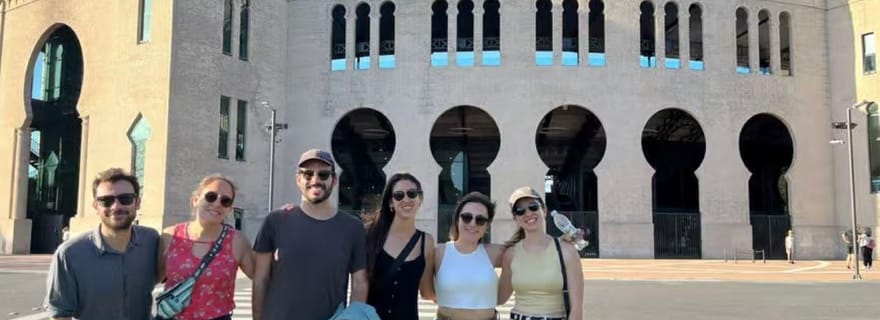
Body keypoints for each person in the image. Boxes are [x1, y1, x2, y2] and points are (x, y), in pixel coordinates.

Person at [252, 149, 369, 320]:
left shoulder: (353, 228)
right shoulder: (275, 221)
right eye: (308, 174)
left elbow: (360, 283)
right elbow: (260, 279)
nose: (315, 180)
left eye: (323, 175)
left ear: (334, 180)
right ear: (298, 179)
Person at [44, 168, 159, 320]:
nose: (116, 207)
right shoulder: (69, 254)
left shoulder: (151, 240)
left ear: (137, 203)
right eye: (106, 201)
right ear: (96, 206)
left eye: (125, 199)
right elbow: (60, 315)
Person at [157, 174, 255, 320]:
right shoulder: (170, 236)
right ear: (196, 200)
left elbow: (262, 277)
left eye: (225, 201)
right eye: (211, 196)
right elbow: (151, 278)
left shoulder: (237, 241)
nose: (217, 203)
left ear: (229, 209)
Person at [499, 186, 584, 320]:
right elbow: (500, 298)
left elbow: (577, 308)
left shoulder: (566, 250)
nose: (528, 213)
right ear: (515, 218)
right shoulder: (511, 254)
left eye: (533, 207)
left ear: (544, 210)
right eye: (520, 211)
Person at [365, 172, 436, 319]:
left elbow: (427, 291)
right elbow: (359, 284)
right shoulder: (370, 235)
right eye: (399, 195)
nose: (406, 199)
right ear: (391, 202)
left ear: (420, 199)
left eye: (412, 194)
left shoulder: (426, 242)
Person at [434, 192, 502, 320]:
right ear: (457, 219)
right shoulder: (438, 252)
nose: (472, 223)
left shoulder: (496, 252)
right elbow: (425, 291)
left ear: (487, 225)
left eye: (480, 220)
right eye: (467, 217)